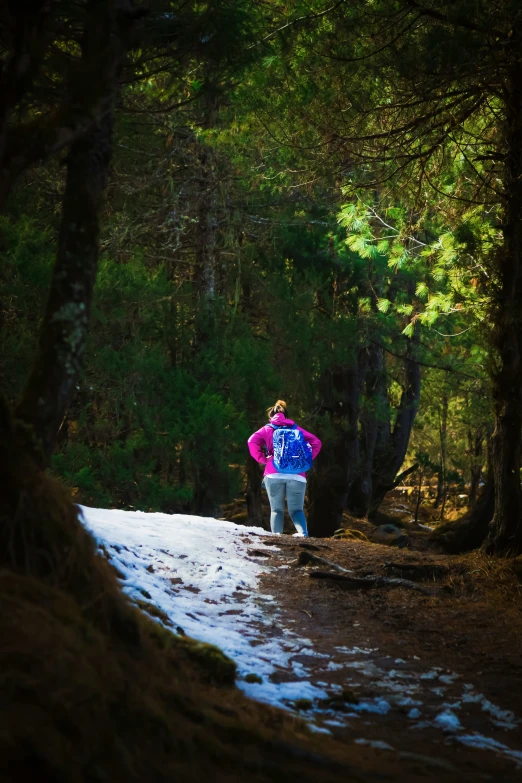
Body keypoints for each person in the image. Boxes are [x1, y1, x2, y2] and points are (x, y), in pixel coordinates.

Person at [247, 400, 321, 537]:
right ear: (286, 416)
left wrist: (263, 459)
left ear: (271, 417)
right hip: (297, 475)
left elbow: (251, 441)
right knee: (297, 510)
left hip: (273, 474)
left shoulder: (266, 429)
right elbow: (316, 442)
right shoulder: (296, 429)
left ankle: (277, 537)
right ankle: (303, 533)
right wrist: (305, 459)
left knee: (276, 510)